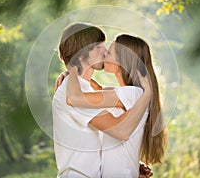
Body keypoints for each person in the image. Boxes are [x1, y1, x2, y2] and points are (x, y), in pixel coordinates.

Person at [52, 23, 152, 178]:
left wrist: (129, 162)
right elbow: (119, 131)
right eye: (99, 47)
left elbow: (100, 138)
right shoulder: (73, 91)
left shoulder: (86, 89)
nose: (105, 52)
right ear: (81, 53)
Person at [66, 34, 167, 177]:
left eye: (109, 52)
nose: (104, 53)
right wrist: (69, 76)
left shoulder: (132, 94)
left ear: (122, 61)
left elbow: (75, 98)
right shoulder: (126, 94)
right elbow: (94, 87)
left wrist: (72, 70)